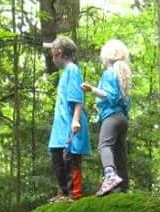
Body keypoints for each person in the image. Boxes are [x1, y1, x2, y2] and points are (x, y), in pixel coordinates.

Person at [44, 36, 91, 201]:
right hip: (60, 129)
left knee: (71, 160)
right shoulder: (65, 73)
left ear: (59, 52)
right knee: (58, 159)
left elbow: (77, 97)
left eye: (52, 53)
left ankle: (74, 195)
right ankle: (64, 194)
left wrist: (76, 120)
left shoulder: (72, 70)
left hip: (70, 125)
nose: (51, 57)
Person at [82, 39, 131, 196]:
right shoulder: (121, 75)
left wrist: (92, 90)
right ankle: (123, 186)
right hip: (122, 118)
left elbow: (109, 95)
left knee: (104, 145)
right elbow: (122, 100)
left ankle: (110, 176)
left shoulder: (109, 74)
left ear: (107, 57)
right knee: (119, 151)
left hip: (111, 117)